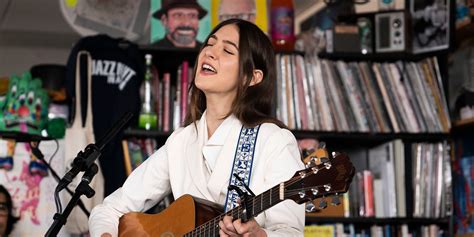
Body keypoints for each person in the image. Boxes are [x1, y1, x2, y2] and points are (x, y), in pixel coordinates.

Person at [89, 18, 305, 237]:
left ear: (251, 77)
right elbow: (109, 209)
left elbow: (291, 232)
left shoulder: (273, 140)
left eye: (227, 51)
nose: (210, 52)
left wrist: (260, 235)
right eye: (210, 44)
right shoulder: (180, 141)